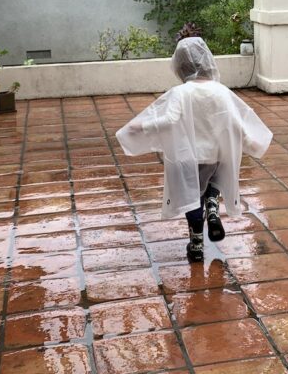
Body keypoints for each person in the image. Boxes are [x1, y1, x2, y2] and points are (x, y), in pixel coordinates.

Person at [116, 37, 273, 262]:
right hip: (214, 157)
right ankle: (212, 206)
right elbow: (234, 121)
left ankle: (197, 244)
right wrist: (250, 142)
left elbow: (169, 119)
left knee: (192, 196)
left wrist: (140, 126)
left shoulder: (181, 93)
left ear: (180, 67)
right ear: (208, 62)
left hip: (188, 158)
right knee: (212, 182)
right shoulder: (220, 91)